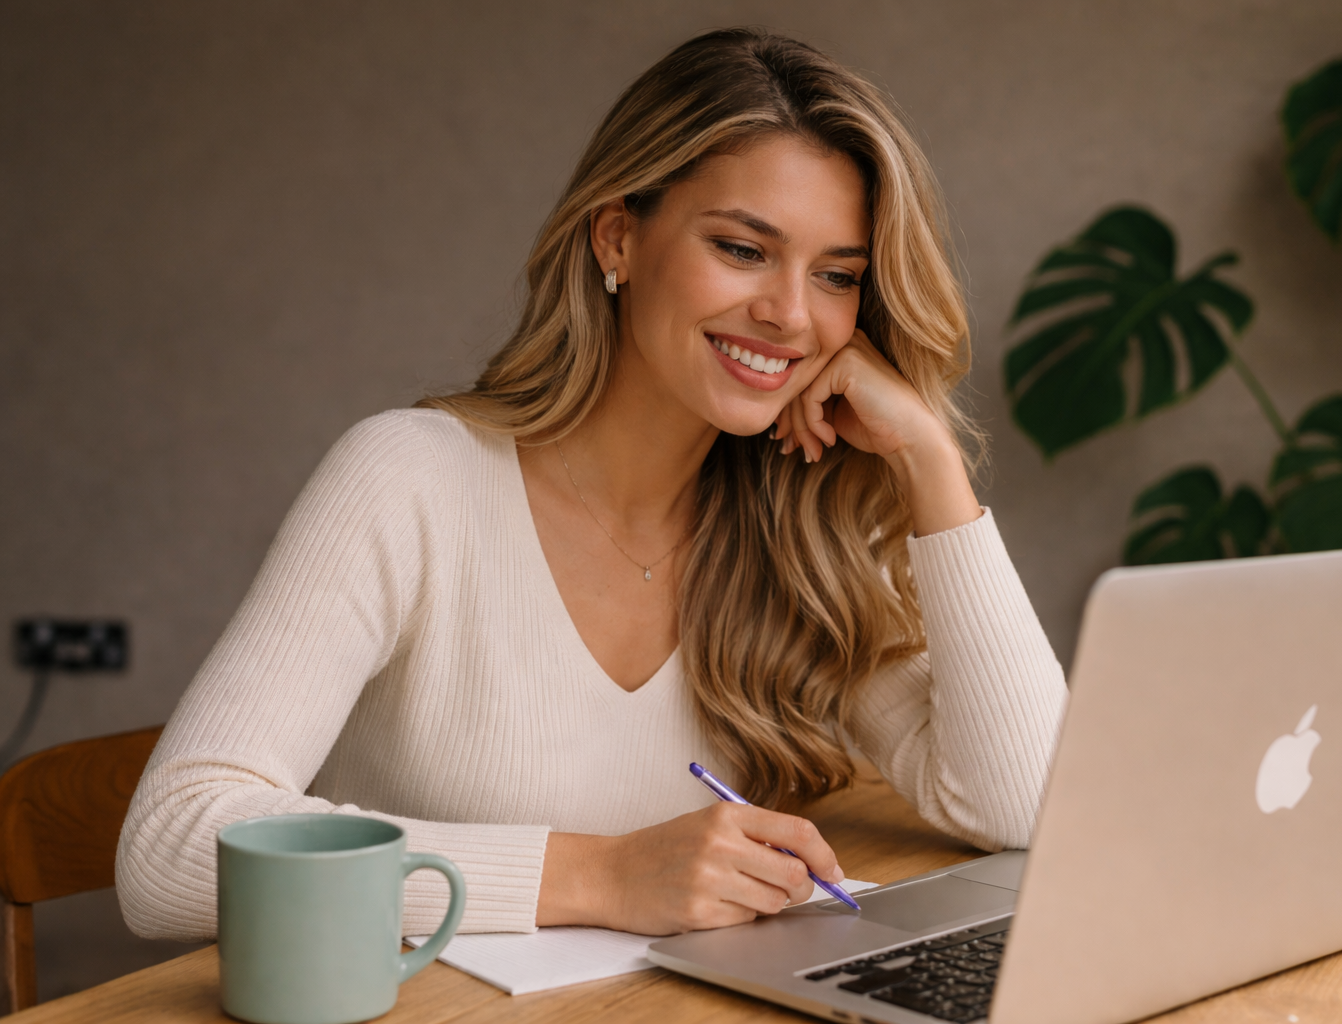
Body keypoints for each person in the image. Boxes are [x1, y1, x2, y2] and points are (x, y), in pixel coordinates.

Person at [117, 28, 1068, 941]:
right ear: (618, 238)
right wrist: (600, 876)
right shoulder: (410, 481)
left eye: (837, 275)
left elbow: (1028, 806)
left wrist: (931, 463)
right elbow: (172, 850)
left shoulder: (799, 522)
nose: (789, 314)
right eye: (742, 249)